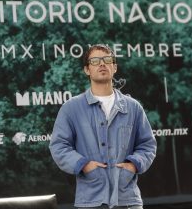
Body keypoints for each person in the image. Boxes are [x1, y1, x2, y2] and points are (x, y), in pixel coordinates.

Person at [49, 44, 157, 209]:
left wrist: (133, 165)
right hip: (91, 200)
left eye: (107, 60)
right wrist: (84, 165)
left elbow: (147, 145)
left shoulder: (133, 107)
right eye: (95, 61)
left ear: (114, 67)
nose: (102, 64)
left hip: (127, 200)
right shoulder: (72, 108)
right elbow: (58, 146)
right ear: (87, 70)